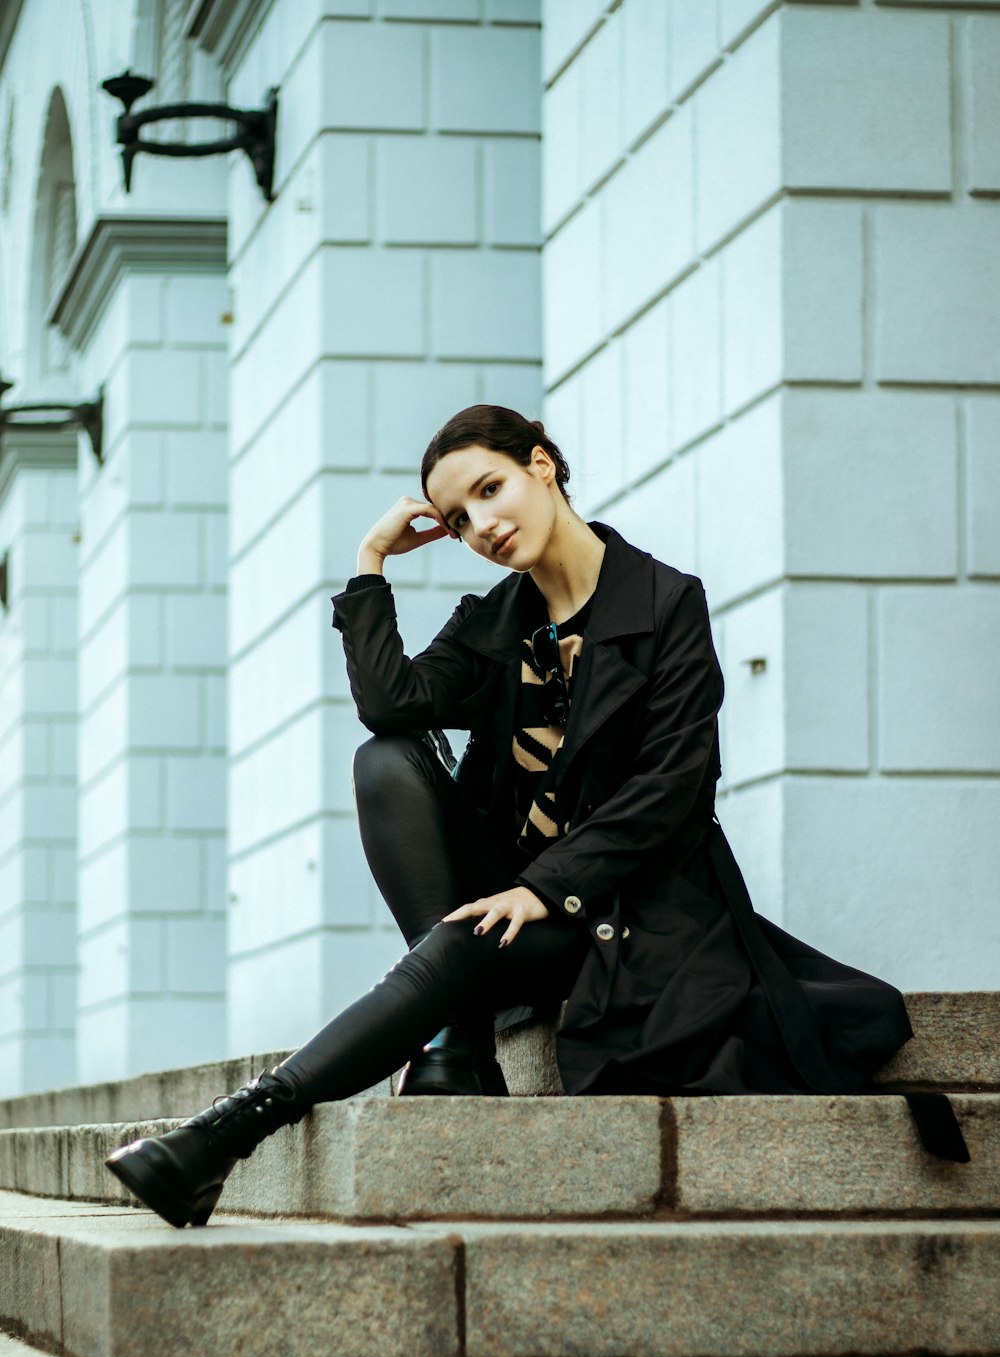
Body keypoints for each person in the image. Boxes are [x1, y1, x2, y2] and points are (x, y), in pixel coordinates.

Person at [106, 404, 967, 1229]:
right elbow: (391, 707)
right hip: (523, 893)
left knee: (455, 943)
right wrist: (371, 561)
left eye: (490, 490)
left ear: (541, 467)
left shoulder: (666, 605)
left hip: (634, 910)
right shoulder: (494, 624)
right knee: (387, 763)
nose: (481, 524)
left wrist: (547, 888)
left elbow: (671, 790)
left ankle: (226, 1134)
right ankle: (451, 1036)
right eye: (457, 516)